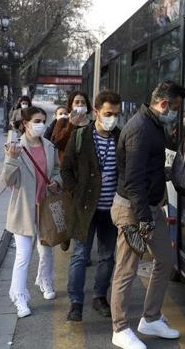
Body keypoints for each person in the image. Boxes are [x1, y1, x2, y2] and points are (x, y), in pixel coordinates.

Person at [110, 81, 185, 349]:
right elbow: (133, 180)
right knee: (126, 269)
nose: (176, 113)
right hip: (133, 210)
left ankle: (150, 318)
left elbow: (150, 169)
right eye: (175, 108)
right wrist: (143, 219)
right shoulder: (141, 129)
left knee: (165, 259)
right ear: (163, 104)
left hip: (150, 208)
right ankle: (119, 329)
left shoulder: (153, 125)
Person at [61, 90, 122, 322]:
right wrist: (76, 191)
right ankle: (76, 302)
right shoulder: (80, 136)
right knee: (80, 255)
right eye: (108, 113)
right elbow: (66, 169)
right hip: (85, 208)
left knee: (107, 257)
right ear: (96, 111)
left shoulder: (120, 136)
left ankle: (99, 297)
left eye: (116, 114)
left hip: (111, 209)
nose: (112, 118)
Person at [0, 106, 62, 318]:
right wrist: (10, 159)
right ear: (25, 124)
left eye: (43, 120)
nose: (41, 125)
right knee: (23, 256)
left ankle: (45, 281)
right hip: (24, 210)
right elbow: (6, 181)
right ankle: (19, 296)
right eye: (37, 121)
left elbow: (56, 171)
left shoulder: (49, 146)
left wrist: (56, 182)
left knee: (46, 251)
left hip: (45, 207)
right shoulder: (15, 147)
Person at [52, 91, 92, 253]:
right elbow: (58, 142)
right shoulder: (63, 122)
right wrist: (71, 124)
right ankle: (67, 234)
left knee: (85, 212)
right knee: (69, 208)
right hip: (69, 174)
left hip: (87, 174)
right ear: (70, 105)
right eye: (76, 102)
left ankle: (83, 248)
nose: (80, 106)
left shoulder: (92, 124)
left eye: (83, 102)